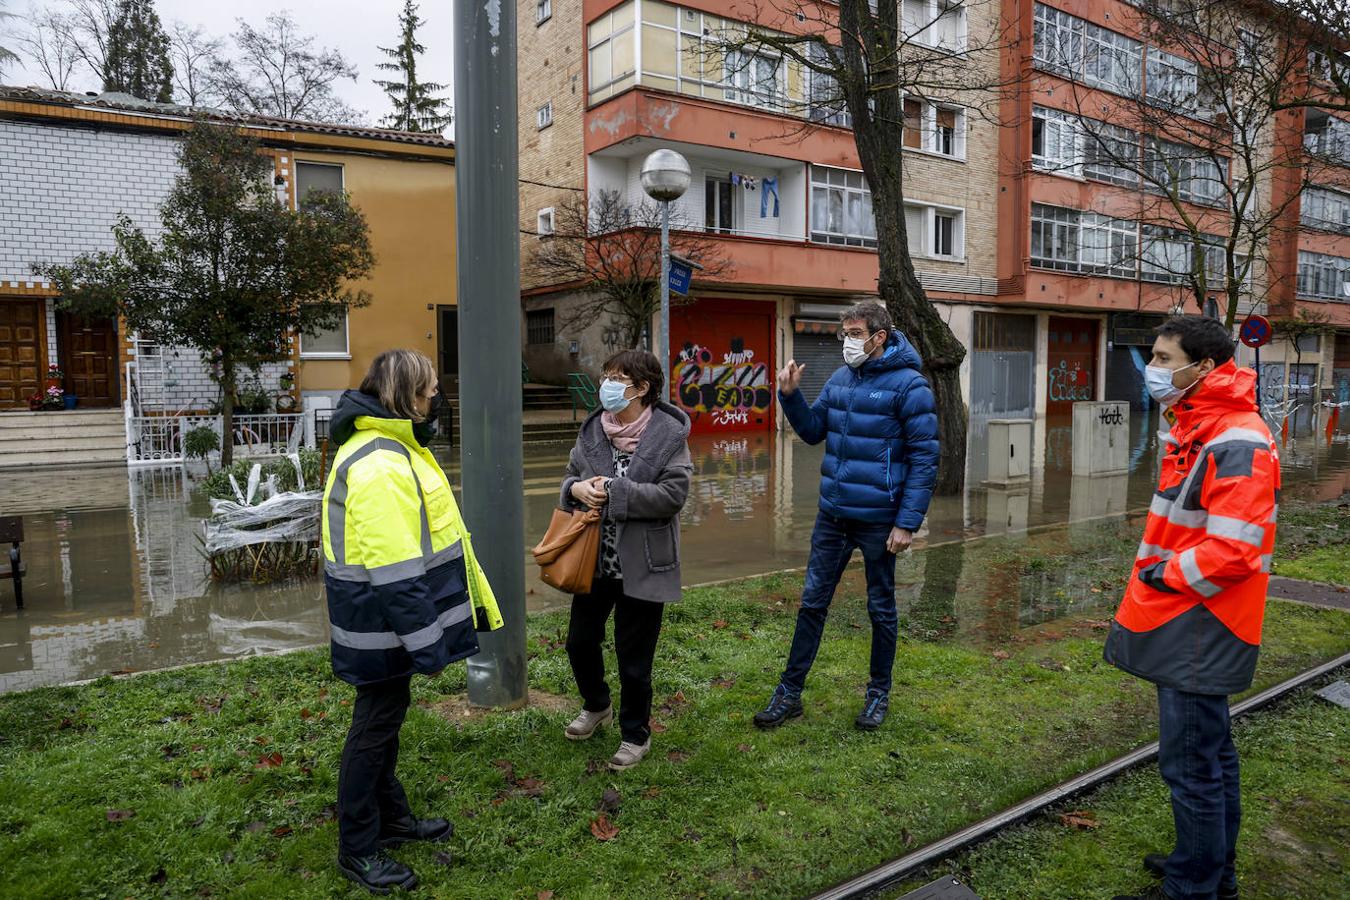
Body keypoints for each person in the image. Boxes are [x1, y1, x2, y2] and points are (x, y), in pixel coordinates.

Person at [1105, 317, 1279, 900]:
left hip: (1201, 620)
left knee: (1191, 765)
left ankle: (1194, 887)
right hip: (1195, 615)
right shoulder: (1203, 425)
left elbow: (1237, 548)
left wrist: (1164, 573)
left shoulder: (1235, 438)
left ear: (1203, 366)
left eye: (1161, 357)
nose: (1152, 369)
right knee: (1210, 755)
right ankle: (1208, 866)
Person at [321, 349, 503, 894]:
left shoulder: (392, 447)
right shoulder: (380, 461)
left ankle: (391, 816)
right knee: (373, 729)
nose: (434, 398)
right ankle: (358, 847)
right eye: (427, 390)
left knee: (386, 718)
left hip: (382, 623)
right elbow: (395, 569)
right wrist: (428, 644)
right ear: (403, 394)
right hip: (382, 625)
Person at [754, 301, 938, 731]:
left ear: (879, 337)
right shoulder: (841, 379)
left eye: (855, 333)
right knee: (812, 604)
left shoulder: (911, 387)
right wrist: (789, 395)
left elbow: (925, 458)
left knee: (881, 609)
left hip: (880, 519)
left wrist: (907, 522)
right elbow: (815, 430)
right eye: (845, 334)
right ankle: (789, 693)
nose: (847, 342)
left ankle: (878, 694)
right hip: (833, 517)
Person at [558, 349, 692, 771]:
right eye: (606, 377)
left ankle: (636, 734)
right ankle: (597, 705)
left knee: (634, 658)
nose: (607, 386)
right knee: (579, 643)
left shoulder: (668, 433)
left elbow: (674, 496)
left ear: (642, 388)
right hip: (594, 561)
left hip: (643, 563)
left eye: (616, 378)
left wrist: (617, 492)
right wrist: (576, 491)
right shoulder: (594, 429)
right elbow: (570, 477)